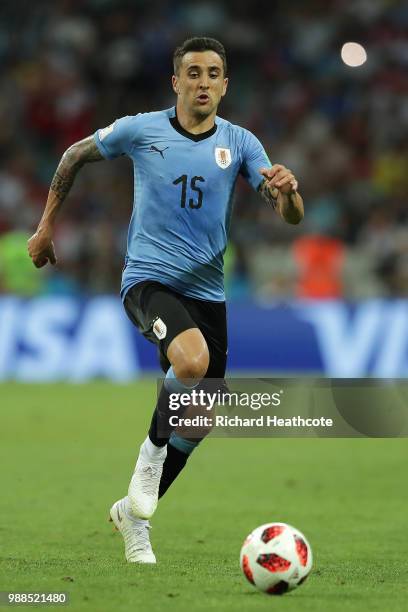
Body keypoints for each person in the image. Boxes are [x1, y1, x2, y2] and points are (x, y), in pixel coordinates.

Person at [27, 37, 304, 564]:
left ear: (225, 85)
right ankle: (148, 457)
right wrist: (44, 228)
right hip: (148, 282)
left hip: (208, 291)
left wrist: (289, 192)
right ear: (176, 82)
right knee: (192, 362)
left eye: (214, 73)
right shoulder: (140, 129)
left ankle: (133, 520)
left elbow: (287, 212)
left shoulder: (242, 143)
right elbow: (73, 155)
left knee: (199, 418)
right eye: (193, 73)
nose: (203, 82)